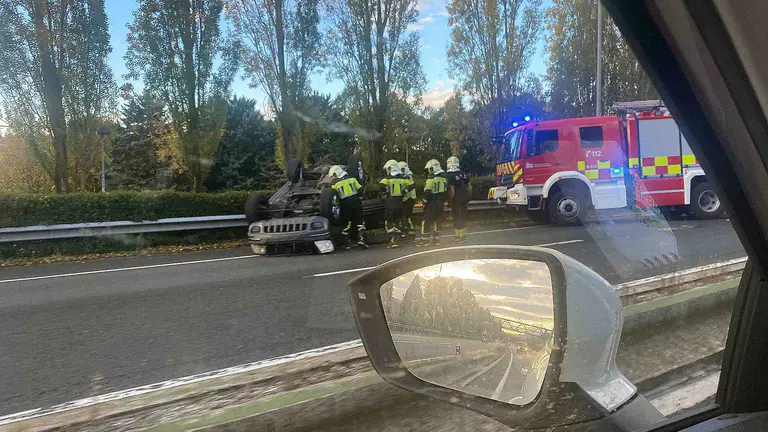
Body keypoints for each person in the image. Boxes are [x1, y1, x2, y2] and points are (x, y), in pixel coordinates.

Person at [329, 165, 367, 249]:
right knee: (360, 222)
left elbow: (332, 196)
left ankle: (346, 243)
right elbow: (360, 189)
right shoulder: (352, 179)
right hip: (356, 204)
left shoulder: (334, 184)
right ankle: (362, 239)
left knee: (346, 224)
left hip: (344, 206)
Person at [379, 159, 411, 248]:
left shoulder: (387, 179)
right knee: (396, 221)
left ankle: (398, 232)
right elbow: (412, 185)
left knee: (388, 222)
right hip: (400, 203)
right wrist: (404, 191)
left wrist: (384, 194)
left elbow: (381, 186)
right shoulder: (403, 179)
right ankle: (394, 241)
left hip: (390, 204)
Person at [417, 159, 448, 247]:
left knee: (426, 221)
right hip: (440, 204)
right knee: (437, 221)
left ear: (432, 168)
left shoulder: (431, 179)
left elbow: (427, 192)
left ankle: (425, 241)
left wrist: (424, 202)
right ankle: (436, 240)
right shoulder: (443, 178)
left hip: (431, 204)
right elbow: (445, 192)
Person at [446, 156, 472, 243]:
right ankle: (463, 236)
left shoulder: (451, 176)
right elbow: (469, 187)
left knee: (456, 217)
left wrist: (449, 201)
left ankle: (457, 237)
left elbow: (452, 190)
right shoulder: (464, 174)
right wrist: (468, 197)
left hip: (456, 200)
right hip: (464, 199)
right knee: (463, 217)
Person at [398, 161, 417, 235]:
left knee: (406, 215)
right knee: (407, 215)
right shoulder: (408, 175)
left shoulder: (407, 176)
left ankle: (408, 229)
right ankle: (408, 228)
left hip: (408, 199)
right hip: (410, 198)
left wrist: (404, 192)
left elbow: (410, 187)